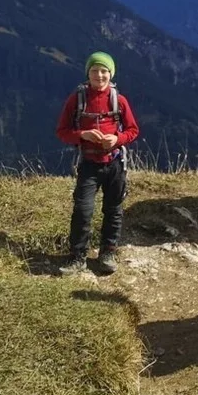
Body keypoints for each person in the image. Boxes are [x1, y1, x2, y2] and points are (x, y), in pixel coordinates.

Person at [54, 51, 140, 276]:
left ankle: (108, 252)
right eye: (95, 71)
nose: (99, 75)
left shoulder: (118, 100)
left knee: (113, 209)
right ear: (88, 73)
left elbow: (133, 130)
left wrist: (117, 139)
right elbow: (62, 132)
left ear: (111, 74)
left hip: (114, 163)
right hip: (89, 163)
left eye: (104, 71)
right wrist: (83, 135)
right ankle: (77, 256)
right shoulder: (77, 98)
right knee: (83, 210)